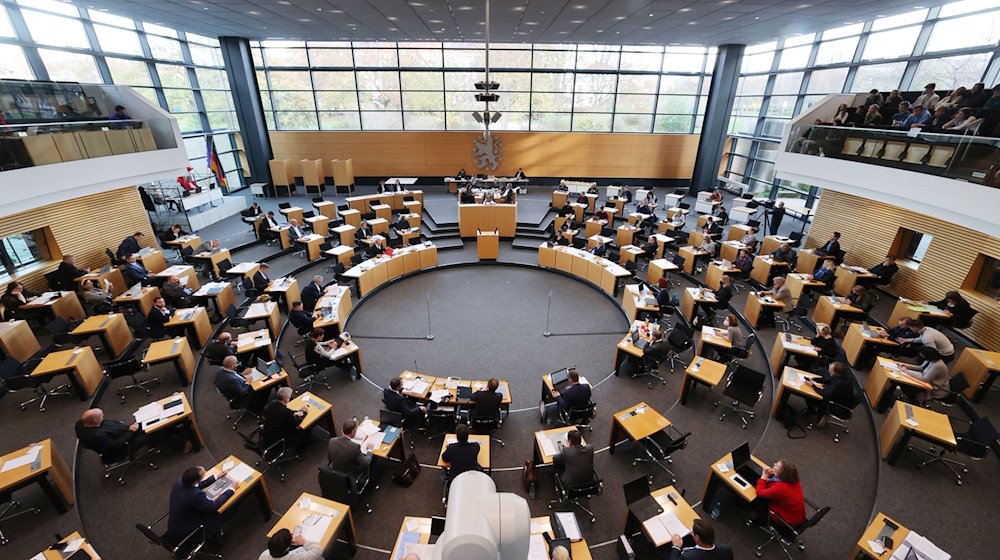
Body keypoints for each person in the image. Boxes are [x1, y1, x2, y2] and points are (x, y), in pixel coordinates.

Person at [165, 465, 237, 544]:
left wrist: (216, 477)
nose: (206, 472)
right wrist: (231, 489)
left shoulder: (180, 481)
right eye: (204, 474)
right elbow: (213, 506)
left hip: (176, 524)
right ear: (196, 480)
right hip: (189, 530)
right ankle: (215, 537)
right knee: (226, 510)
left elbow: (198, 485)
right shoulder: (195, 495)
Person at [77, 408, 149, 463]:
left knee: (144, 423)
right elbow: (115, 445)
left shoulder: (81, 423)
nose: (103, 416)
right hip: (122, 447)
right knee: (149, 433)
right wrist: (131, 431)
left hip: (120, 432)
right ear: (95, 420)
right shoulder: (98, 436)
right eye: (101, 415)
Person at [754, 459, 805, 528]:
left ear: (781, 474)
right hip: (797, 516)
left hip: (786, 520)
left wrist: (764, 476)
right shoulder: (793, 480)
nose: (774, 464)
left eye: (776, 466)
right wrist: (774, 474)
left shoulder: (781, 488)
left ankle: (759, 520)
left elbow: (760, 492)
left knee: (756, 500)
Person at [262, 387, 309, 453]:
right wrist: (304, 413)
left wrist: (295, 412)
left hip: (268, 435)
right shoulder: (284, 412)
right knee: (306, 428)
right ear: (285, 398)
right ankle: (300, 448)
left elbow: (287, 412)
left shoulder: (273, 404)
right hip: (280, 439)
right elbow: (296, 421)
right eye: (289, 397)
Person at [328, 419, 374, 485]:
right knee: (371, 458)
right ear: (353, 432)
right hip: (352, 475)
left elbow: (329, 459)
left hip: (337, 472)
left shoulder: (332, 441)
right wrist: (370, 450)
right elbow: (366, 463)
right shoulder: (354, 447)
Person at [663, 518, 733, 560]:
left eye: (692, 532)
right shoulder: (726, 549)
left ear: (697, 538)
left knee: (662, 549)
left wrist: (676, 547)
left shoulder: (688, 557)